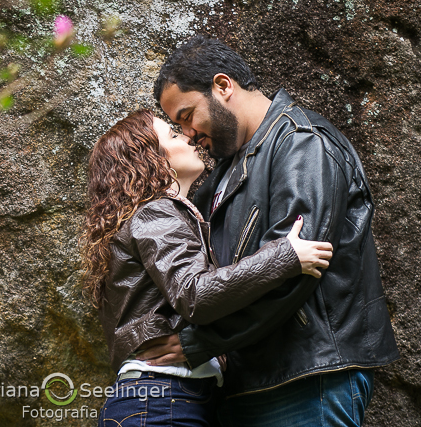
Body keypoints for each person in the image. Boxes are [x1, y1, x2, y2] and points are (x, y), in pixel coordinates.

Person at [142, 35, 400, 426]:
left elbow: (295, 272)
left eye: (187, 116)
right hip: (249, 381)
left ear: (223, 86)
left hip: (308, 379)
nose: (189, 133)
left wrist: (200, 343)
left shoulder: (302, 144)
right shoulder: (225, 172)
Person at [82, 108, 333, 427]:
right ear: (148, 158)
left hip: (164, 400)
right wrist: (285, 256)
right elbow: (196, 294)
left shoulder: (156, 217)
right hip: (161, 402)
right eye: (173, 134)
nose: (187, 135)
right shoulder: (155, 214)